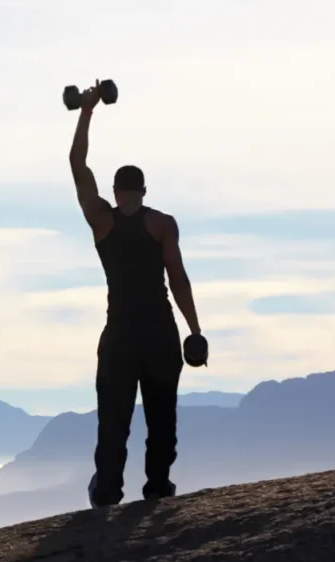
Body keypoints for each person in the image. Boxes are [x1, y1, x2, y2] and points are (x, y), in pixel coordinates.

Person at [68, 80, 203, 508]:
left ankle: (107, 493)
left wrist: (86, 111)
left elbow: (76, 164)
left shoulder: (101, 221)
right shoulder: (162, 223)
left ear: (114, 191)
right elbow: (177, 279)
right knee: (162, 417)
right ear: (143, 191)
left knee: (114, 421)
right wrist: (194, 330)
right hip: (161, 333)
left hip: (121, 335)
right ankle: (158, 488)